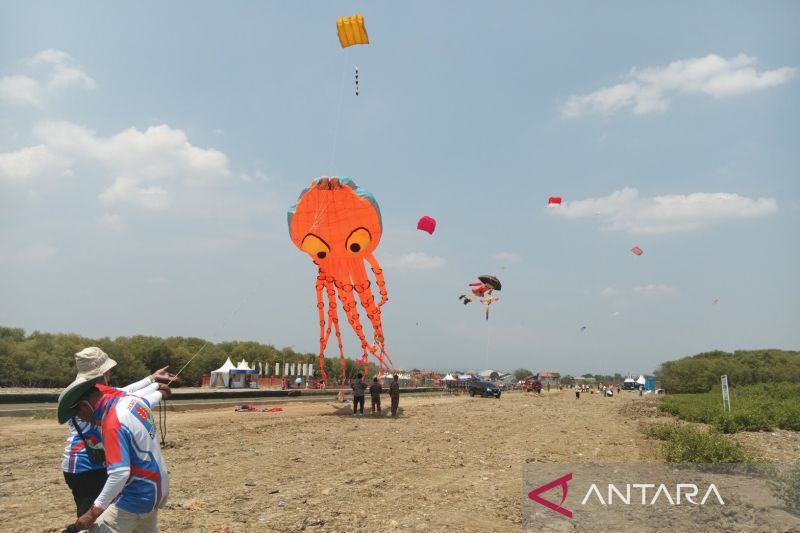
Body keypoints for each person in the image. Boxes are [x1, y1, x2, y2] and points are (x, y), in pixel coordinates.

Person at [60, 347, 175, 521]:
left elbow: (125, 395)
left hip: (98, 462)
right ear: (104, 371)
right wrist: (156, 387)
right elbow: (129, 398)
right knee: (92, 518)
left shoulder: (95, 391)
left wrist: (153, 382)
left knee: (106, 513)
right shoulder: (89, 399)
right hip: (84, 466)